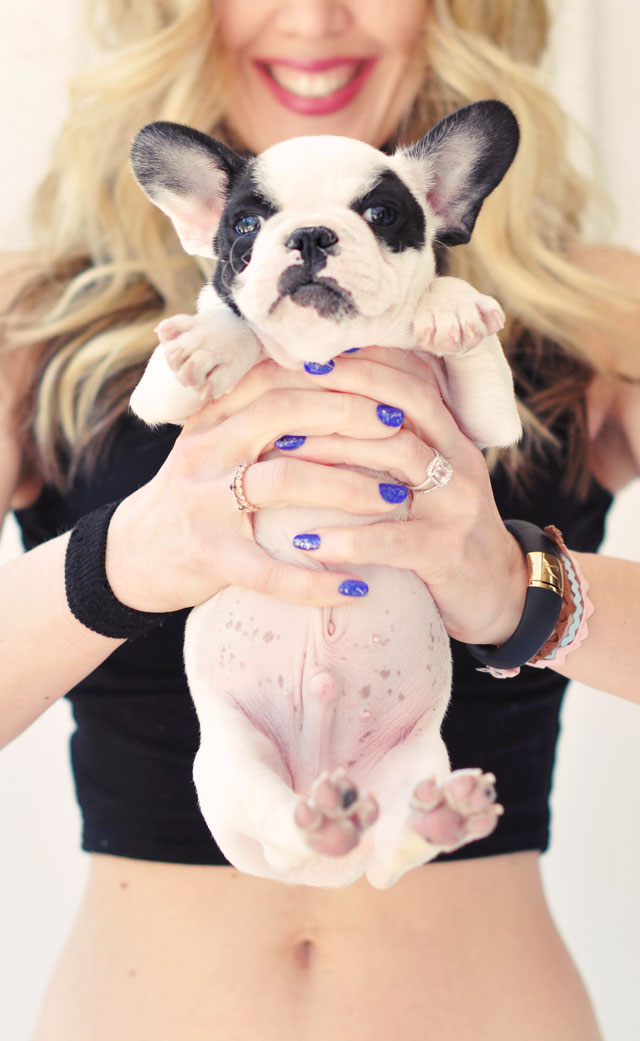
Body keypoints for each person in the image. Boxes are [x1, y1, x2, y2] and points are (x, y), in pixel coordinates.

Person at [1, 1, 639, 1038]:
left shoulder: (599, 311)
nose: (311, 17)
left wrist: (527, 593)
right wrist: (123, 559)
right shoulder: (32, 321)